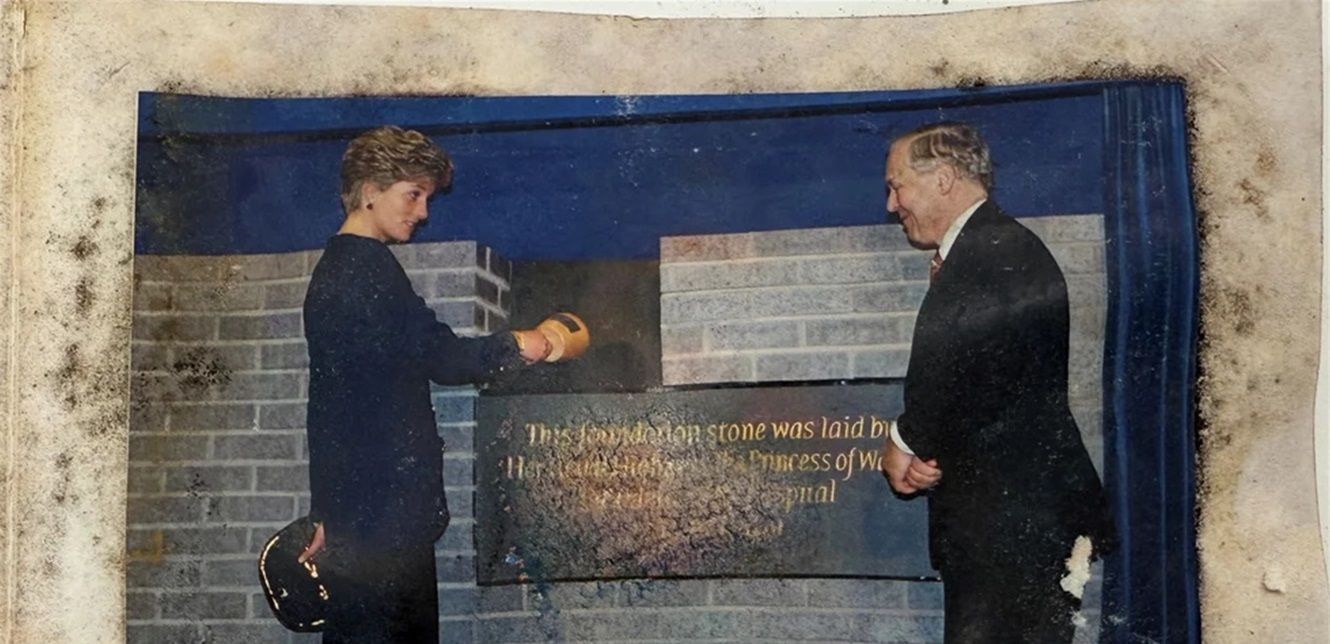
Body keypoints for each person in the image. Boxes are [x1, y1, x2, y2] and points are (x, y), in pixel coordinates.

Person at [297, 125, 553, 643]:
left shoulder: (341, 268)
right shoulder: (365, 270)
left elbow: (329, 406)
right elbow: (443, 357)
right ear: (370, 190)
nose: (423, 212)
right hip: (384, 518)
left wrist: (328, 510)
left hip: (363, 513)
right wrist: (523, 344)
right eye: (413, 194)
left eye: (426, 198)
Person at [878, 122, 1115, 643]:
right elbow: (986, 387)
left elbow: (951, 365)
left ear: (943, 179)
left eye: (897, 186)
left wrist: (906, 441)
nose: (893, 204)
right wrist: (931, 450)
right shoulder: (994, 248)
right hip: (1013, 522)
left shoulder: (986, 253)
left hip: (1010, 527)